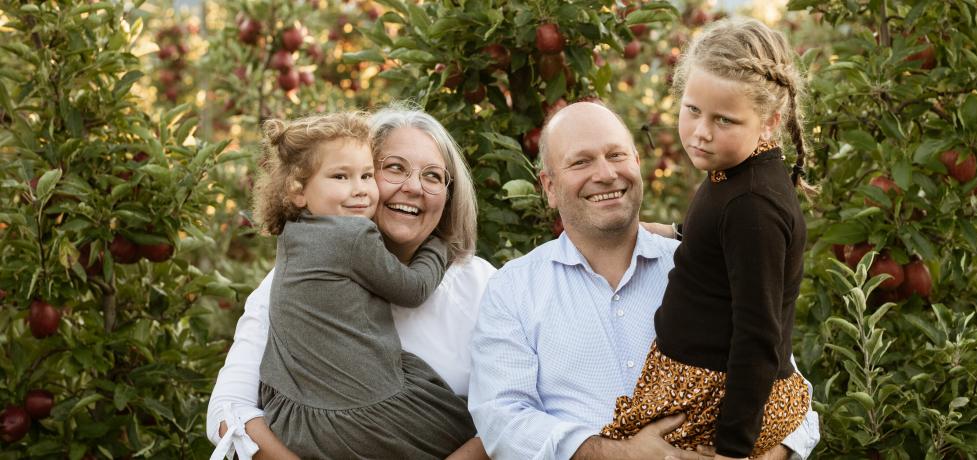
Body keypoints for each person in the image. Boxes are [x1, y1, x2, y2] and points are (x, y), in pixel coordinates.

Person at [467, 100, 819, 460]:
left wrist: (760, 456)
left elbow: (790, 394)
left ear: (637, 162)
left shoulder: (703, 267)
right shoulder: (513, 290)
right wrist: (619, 454)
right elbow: (502, 418)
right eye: (581, 161)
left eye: (616, 155)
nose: (605, 174)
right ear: (549, 187)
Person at [207, 105, 494, 460]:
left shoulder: (483, 287)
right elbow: (228, 410)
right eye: (393, 168)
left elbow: (513, 412)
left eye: (433, 176)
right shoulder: (287, 281)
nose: (413, 187)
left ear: (450, 194)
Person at [600, 17, 815, 459]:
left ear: (770, 121)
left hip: (716, 400)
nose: (701, 131)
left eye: (724, 120)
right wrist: (681, 233)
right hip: (705, 384)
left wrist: (731, 450)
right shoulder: (738, 175)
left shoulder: (753, 204)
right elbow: (729, 243)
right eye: (693, 110)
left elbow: (758, 335)